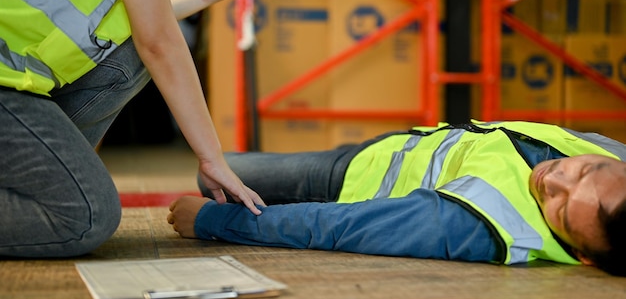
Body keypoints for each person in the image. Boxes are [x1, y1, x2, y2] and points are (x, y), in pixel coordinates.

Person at [0, 0, 265, 258]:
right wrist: (211, 157)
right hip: (6, 85)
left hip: (13, 82)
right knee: (86, 214)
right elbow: (157, 40)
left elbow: (139, 21)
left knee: (133, 52)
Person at [168, 120, 626, 276]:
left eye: (561, 209)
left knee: (214, 174)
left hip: (346, 183)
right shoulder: (615, 158)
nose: (554, 179)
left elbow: (337, 227)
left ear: (581, 255)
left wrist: (213, 222)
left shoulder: (482, 226)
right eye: (582, 169)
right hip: (392, 144)